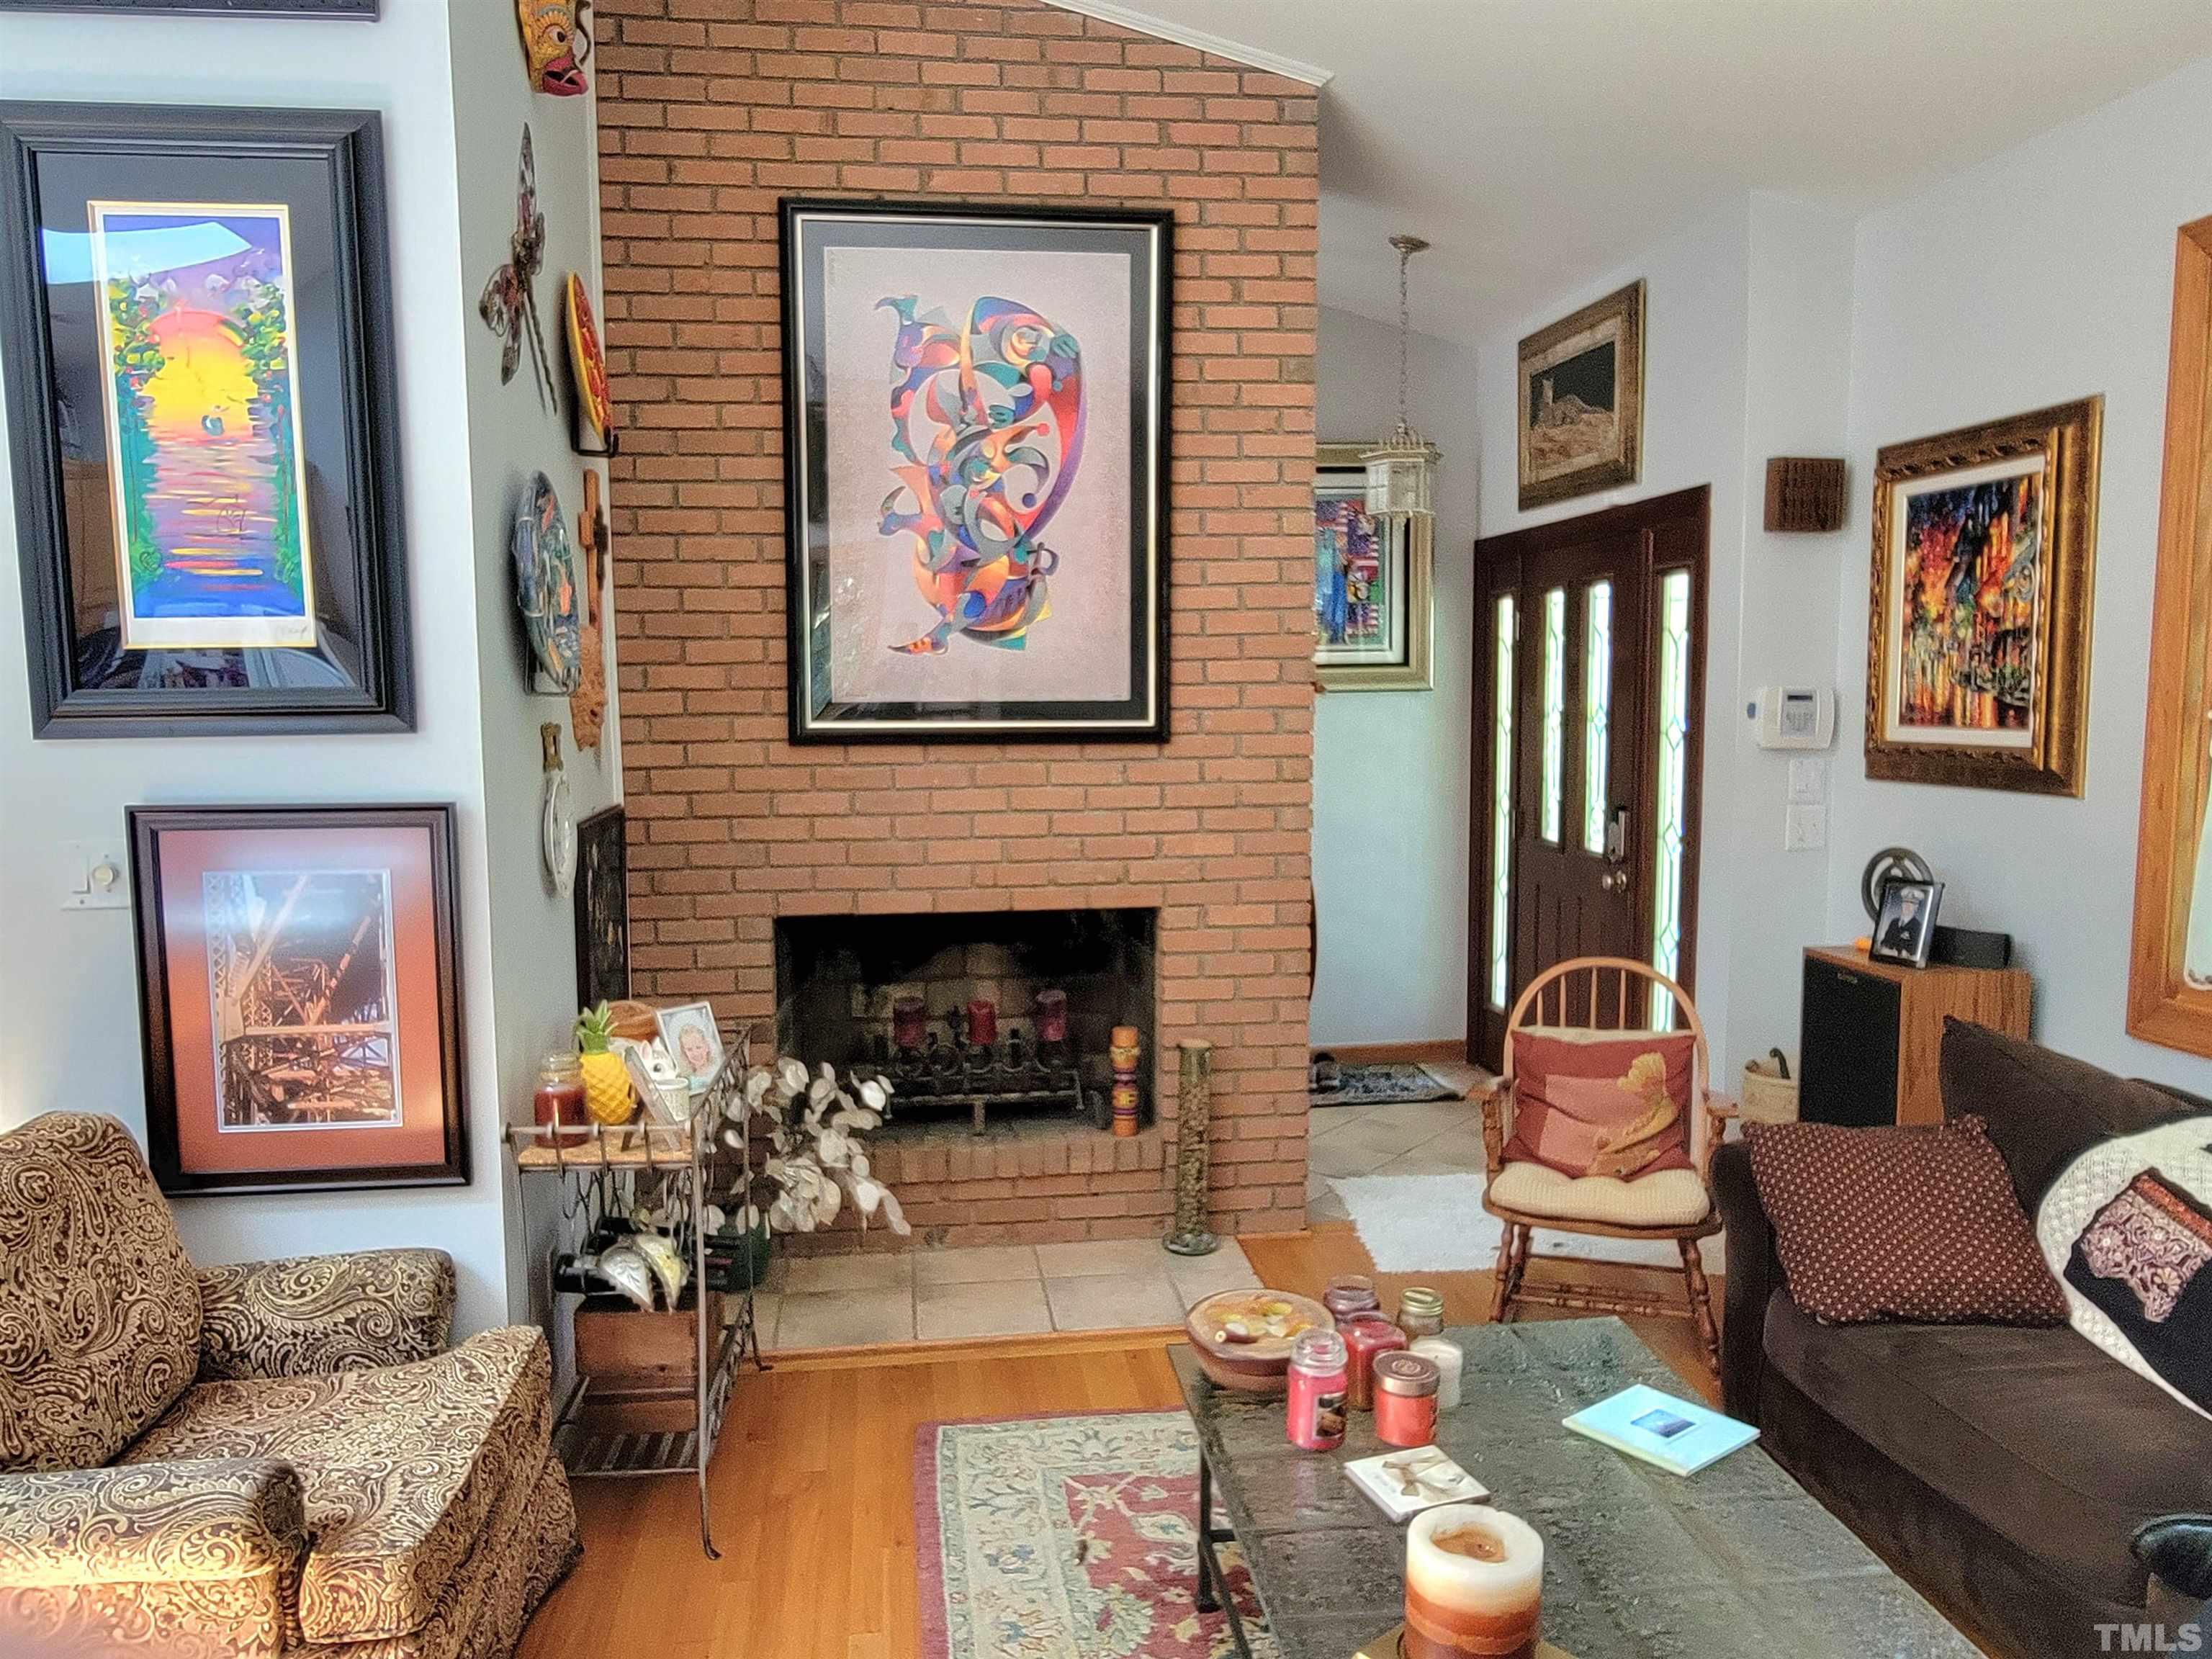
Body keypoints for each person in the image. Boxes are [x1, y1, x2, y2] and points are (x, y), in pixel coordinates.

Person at [1879, 887, 1927, 960]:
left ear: (1916, 907)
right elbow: (1883, 945)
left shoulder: (1918, 927)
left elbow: (1914, 952)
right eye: (1905, 902)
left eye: (1912, 903)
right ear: (1902, 904)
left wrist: (1898, 953)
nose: (1907, 906)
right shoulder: (1894, 922)